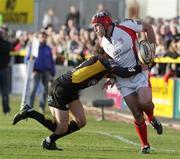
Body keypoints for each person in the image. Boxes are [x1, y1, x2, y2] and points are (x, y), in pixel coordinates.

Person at [12, 50, 147, 150]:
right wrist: (141, 67)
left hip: (70, 90)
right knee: (60, 128)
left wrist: (111, 78)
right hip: (61, 88)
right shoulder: (104, 60)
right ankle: (30, 113)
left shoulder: (104, 63)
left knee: (81, 122)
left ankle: (49, 140)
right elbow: (122, 72)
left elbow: (112, 73)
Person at [91, 11, 163, 154]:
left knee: (145, 103)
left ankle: (152, 118)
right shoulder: (101, 42)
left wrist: (152, 51)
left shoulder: (125, 25)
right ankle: (145, 145)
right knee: (136, 113)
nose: (95, 30)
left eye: (97, 26)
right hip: (123, 80)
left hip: (139, 72)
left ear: (105, 23)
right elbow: (109, 63)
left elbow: (148, 27)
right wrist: (111, 77)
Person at [28, 30, 55, 113]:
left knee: (45, 90)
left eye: (44, 36)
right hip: (36, 71)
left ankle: (41, 107)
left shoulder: (48, 48)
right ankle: (29, 107)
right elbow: (28, 58)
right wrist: (31, 69)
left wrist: (52, 72)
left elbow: (51, 61)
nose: (43, 38)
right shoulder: (34, 47)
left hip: (46, 71)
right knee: (33, 89)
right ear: (39, 37)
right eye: (42, 36)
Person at [0, 27, 11, 115]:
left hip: (4, 69)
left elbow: (7, 48)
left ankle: (6, 110)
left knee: (5, 92)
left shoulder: (6, 43)